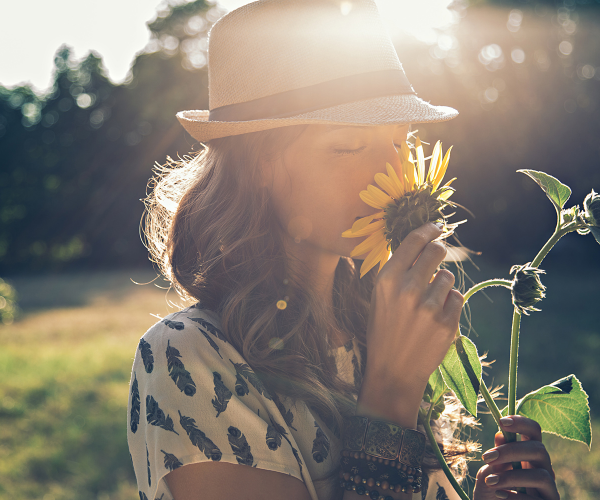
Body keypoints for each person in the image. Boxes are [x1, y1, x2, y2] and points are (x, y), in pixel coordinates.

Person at [127, 1, 560, 499]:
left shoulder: (370, 329)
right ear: (260, 166)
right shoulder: (190, 357)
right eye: (348, 147)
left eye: (400, 142)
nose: (390, 175)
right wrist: (393, 391)